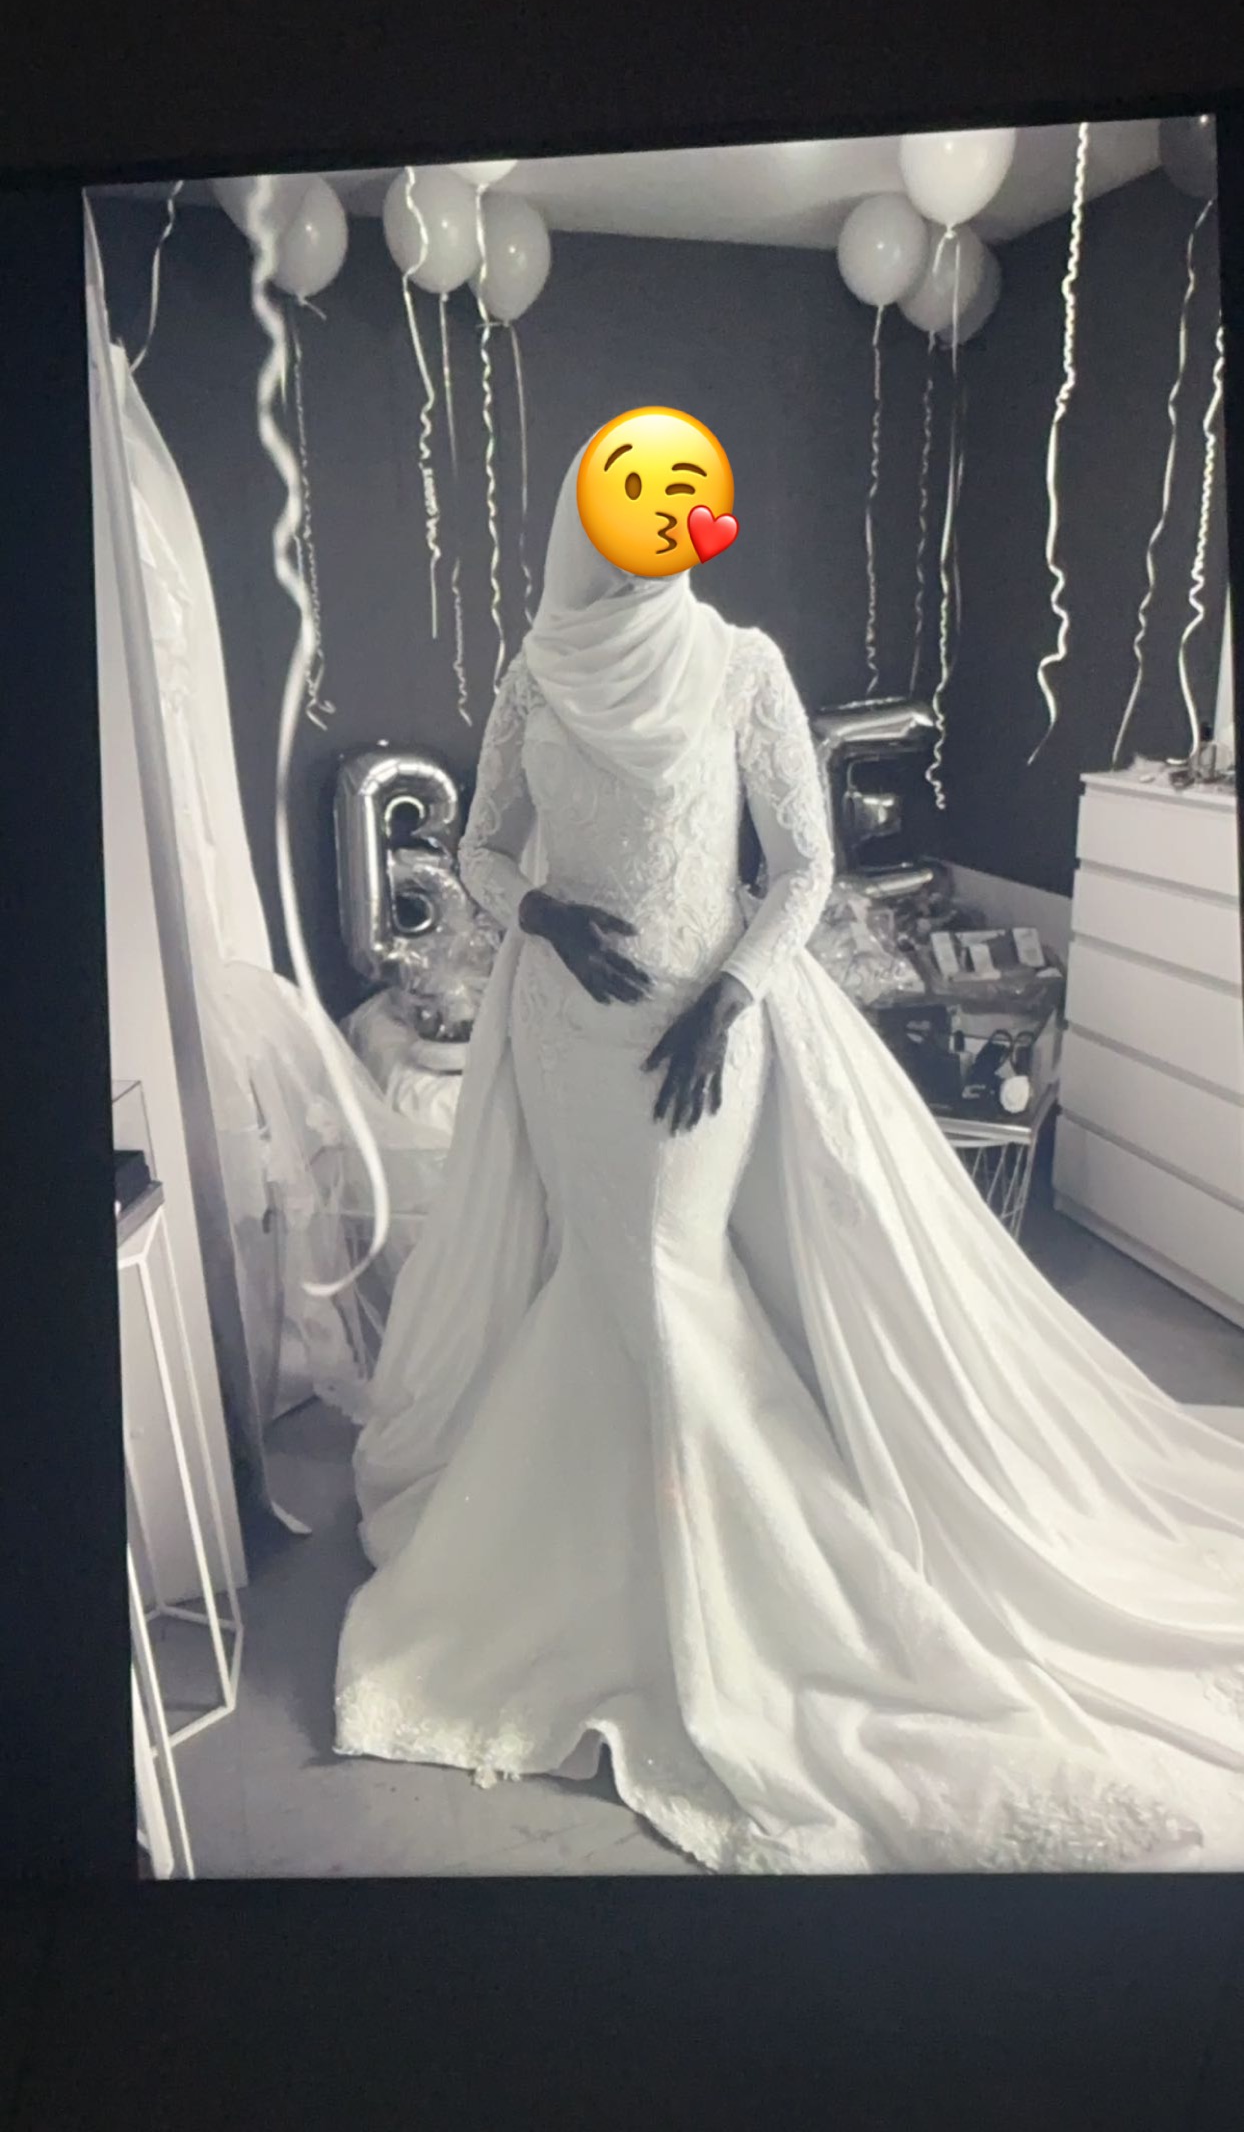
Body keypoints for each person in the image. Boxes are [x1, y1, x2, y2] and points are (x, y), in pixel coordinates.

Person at [335, 444, 1244, 1875]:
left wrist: (734, 996)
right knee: (615, 1295)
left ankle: (792, 1614)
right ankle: (611, 1571)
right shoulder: (534, 672)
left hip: (707, 1029)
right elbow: (485, 853)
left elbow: (804, 865)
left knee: (670, 1286)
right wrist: (543, 917)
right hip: (569, 1040)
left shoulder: (741, 664)